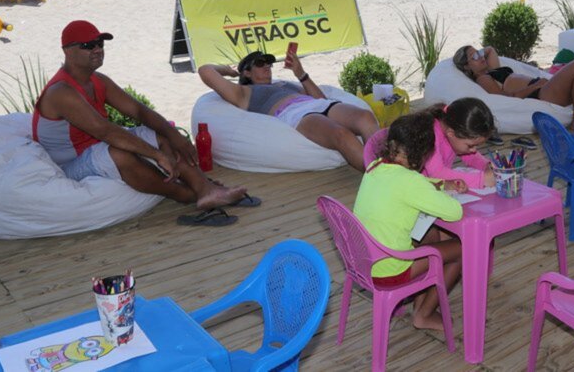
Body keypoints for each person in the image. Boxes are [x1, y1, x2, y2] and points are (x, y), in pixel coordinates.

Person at [33, 20, 249, 216]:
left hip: (95, 146)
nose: (97, 49)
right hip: (69, 163)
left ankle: (206, 190)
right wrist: (157, 155)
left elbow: (139, 111)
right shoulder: (62, 92)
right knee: (120, 153)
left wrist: (174, 136)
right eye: (88, 45)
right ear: (67, 51)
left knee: (161, 135)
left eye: (100, 43)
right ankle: (186, 195)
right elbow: (106, 131)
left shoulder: (97, 80)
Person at [354, 111, 463, 331]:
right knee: (462, 249)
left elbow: (410, 186)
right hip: (389, 270)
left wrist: (441, 184)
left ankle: (419, 301)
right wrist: (441, 192)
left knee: (430, 237)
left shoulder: (375, 166)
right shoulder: (412, 181)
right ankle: (423, 314)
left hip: (363, 261)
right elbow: (455, 212)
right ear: (424, 153)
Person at [198, 48, 378, 171]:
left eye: (269, 63)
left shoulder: (284, 84)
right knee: (341, 135)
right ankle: (378, 178)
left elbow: (321, 99)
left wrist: (300, 73)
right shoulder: (243, 92)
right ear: (246, 72)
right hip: (296, 114)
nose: (267, 66)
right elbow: (205, 71)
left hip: (316, 104)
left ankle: (386, 169)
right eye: (260, 63)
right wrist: (229, 72)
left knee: (365, 117)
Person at [453, 45, 574, 123]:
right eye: (474, 57)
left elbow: (490, 50)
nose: (480, 56)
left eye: (479, 53)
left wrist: (477, 54)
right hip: (539, 92)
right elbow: (506, 98)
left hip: (542, 86)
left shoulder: (491, 70)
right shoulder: (482, 78)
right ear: (467, 66)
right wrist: (535, 86)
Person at [421, 98, 497, 189]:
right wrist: (482, 180)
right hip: (413, 189)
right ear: (451, 134)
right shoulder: (429, 136)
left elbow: (471, 156)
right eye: (471, 146)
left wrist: (486, 166)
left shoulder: (452, 127)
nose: (474, 150)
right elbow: (437, 174)